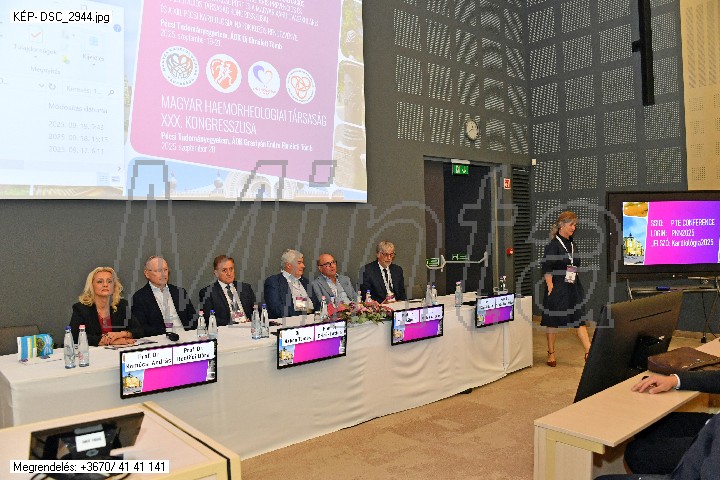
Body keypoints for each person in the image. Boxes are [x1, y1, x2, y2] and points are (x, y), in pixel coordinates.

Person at [619, 371, 720, 475]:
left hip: (714, 446)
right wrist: (674, 380)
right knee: (647, 428)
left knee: (637, 454)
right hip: (714, 424)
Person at [540, 211, 591, 367]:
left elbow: (574, 264)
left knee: (579, 318)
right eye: (571, 225)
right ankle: (551, 353)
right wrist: (550, 287)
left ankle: (589, 352)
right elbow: (546, 267)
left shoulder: (572, 244)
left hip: (573, 286)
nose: (574, 228)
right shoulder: (553, 245)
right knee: (552, 321)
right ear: (562, 225)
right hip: (557, 287)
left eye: (575, 225)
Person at [70, 267, 142, 347]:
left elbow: (139, 330)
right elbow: (75, 336)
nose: (105, 285)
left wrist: (120, 334)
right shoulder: (81, 308)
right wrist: (110, 341)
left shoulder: (121, 305)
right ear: (91, 286)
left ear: (114, 285)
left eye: (109, 281)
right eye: (100, 281)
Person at [131, 256, 196, 336]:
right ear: (147, 274)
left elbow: (193, 319)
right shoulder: (140, 297)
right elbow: (141, 327)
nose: (163, 274)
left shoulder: (180, 292)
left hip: (187, 337)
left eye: (165, 270)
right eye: (158, 270)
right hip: (161, 339)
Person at [199, 255, 256, 325]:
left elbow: (256, 310)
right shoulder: (207, 292)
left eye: (231, 269)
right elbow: (209, 318)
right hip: (227, 329)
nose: (229, 273)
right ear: (216, 273)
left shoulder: (245, 288)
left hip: (248, 327)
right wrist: (235, 323)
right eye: (224, 270)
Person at [264, 249, 311, 319]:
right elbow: (277, 309)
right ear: (288, 265)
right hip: (288, 323)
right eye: (299, 263)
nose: (303, 266)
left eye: (302, 263)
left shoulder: (305, 282)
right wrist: (303, 312)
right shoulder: (274, 282)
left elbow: (316, 304)